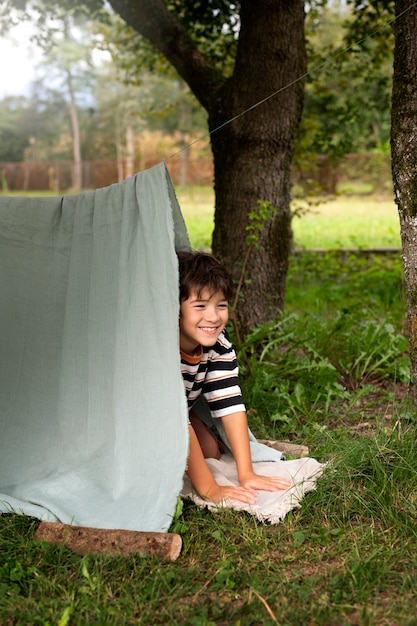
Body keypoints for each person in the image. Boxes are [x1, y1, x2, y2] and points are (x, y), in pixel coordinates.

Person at [178, 250, 291, 505]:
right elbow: (171, 419)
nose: (213, 316)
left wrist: (246, 472)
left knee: (209, 452)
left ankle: (190, 419)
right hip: (147, 419)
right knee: (188, 460)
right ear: (176, 309)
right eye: (200, 306)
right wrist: (209, 487)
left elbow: (229, 404)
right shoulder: (162, 349)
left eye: (221, 305)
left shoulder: (217, 342)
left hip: (179, 411)